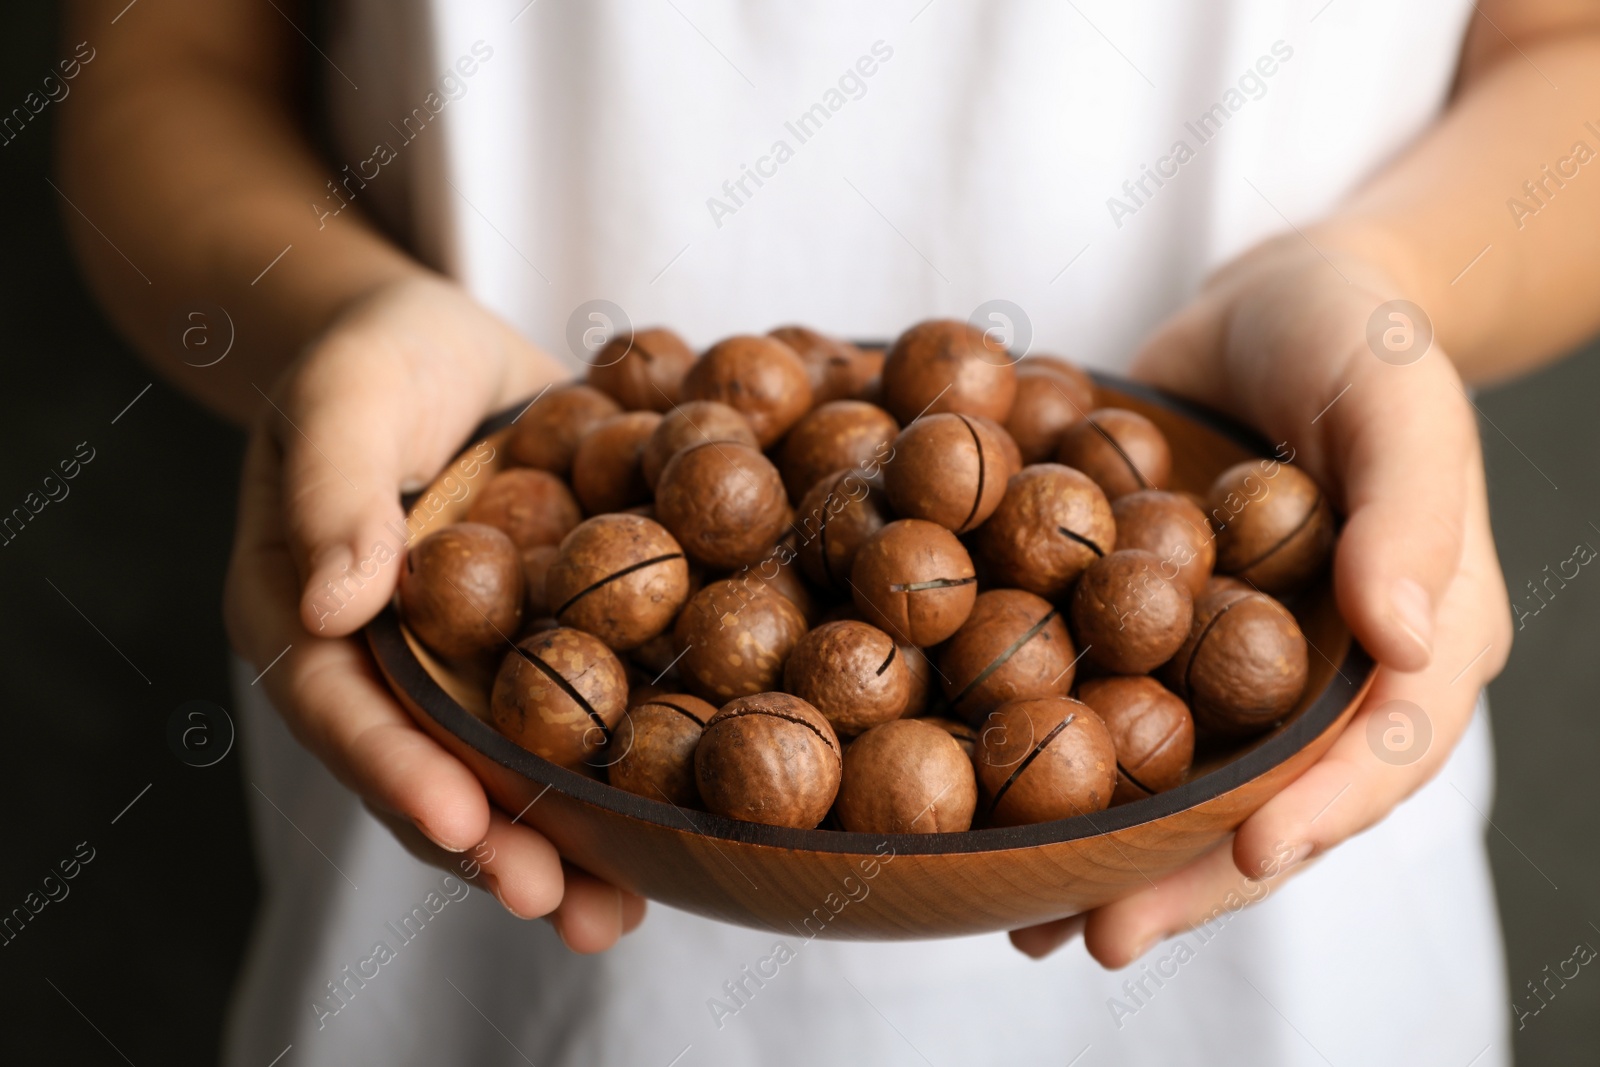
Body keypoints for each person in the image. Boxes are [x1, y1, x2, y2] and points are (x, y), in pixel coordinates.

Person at [59, 0, 1600, 1062]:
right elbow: (157, 59)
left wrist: (1386, 289)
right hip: (473, 888)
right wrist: (339, 320)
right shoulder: (679, 536)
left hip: (1280, 962)